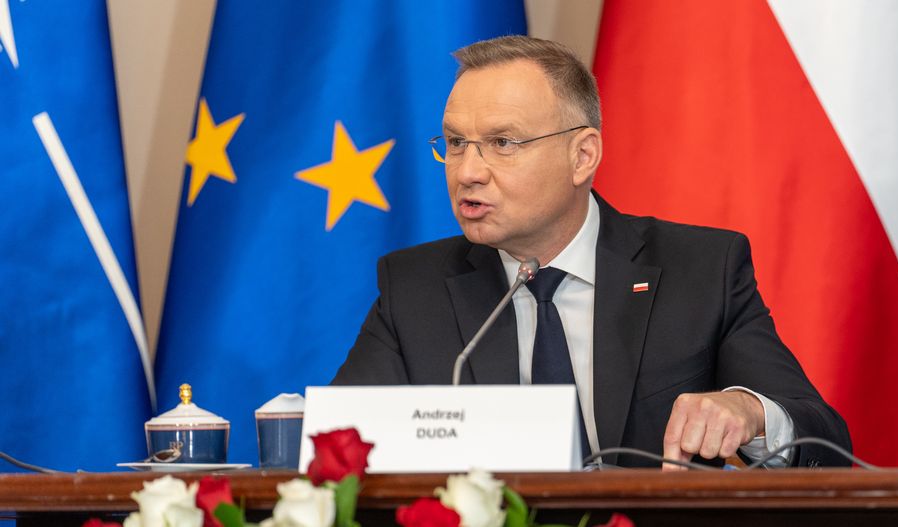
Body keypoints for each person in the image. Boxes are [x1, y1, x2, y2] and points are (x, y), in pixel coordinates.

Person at [332, 35, 851, 469]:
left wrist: (749, 409)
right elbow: (338, 454)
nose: (467, 170)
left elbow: (824, 440)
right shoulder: (414, 287)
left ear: (582, 156)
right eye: (456, 142)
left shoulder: (701, 270)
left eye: (503, 143)